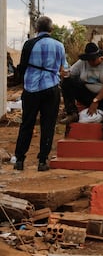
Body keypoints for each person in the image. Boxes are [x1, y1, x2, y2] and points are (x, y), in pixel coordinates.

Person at [14, 16, 68, 171]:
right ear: (51, 29)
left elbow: (22, 67)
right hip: (51, 88)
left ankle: (19, 160)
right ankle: (42, 161)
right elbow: (63, 68)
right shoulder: (59, 45)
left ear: (36, 29)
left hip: (31, 88)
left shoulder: (29, 44)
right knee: (48, 124)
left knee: (27, 123)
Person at [60, 42, 103, 142]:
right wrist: (65, 74)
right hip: (87, 94)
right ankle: (72, 113)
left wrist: (96, 100)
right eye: (89, 60)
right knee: (68, 81)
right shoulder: (82, 63)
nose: (91, 62)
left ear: (99, 56)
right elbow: (71, 73)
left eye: (93, 59)